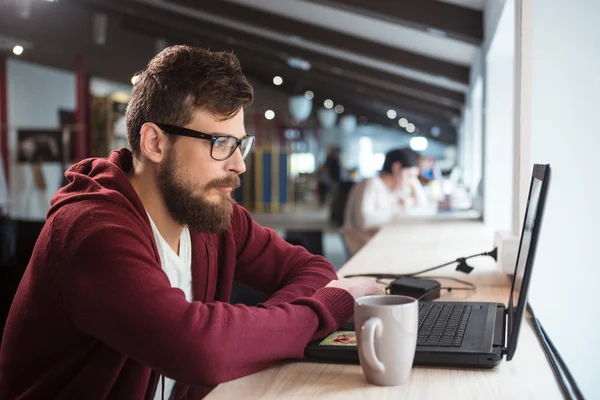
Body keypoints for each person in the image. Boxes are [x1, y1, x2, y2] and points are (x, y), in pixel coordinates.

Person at [0, 46, 382, 400]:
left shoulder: (210, 214)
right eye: (220, 143)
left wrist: (254, 330)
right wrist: (321, 310)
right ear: (155, 143)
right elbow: (199, 350)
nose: (239, 164)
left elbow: (312, 267)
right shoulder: (92, 229)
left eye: (240, 144)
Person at [342, 148, 429, 257]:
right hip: (364, 249)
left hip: (382, 245)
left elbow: (423, 206)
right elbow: (364, 221)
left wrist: (413, 180)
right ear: (396, 168)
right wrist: (398, 207)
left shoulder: (396, 188)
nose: (410, 180)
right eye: (409, 175)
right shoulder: (371, 184)